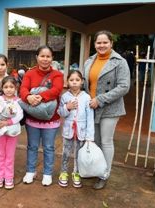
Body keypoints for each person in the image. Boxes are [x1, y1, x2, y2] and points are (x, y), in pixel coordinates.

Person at [83, 30, 130, 190]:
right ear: (94, 44)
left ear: (111, 43)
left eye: (105, 42)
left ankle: (104, 174)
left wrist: (100, 99)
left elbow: (124, 86)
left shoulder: (119, 61)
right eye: (98, 42)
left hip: (110, 108)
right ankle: (96, 169)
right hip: (92, 107)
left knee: (106, 141)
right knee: (94, 140)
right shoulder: (89, 60)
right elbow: (85, 84)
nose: (101, 45)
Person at [20, 45, 64, 186]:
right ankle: (30, 171)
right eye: (42, 56)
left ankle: (47, 173)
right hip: (32, 118)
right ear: (37, 57)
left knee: (49, 147)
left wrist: (39, 96)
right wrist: (28, 97)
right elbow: (23, 89)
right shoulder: (29, 73)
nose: (45, 59)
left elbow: (57, 90)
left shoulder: (57, 75)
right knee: (32, 146)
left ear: (52, 58)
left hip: (51, 119)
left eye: (48, 56)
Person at [57, 70, 94, 188]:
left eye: (77, 80)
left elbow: (90, 117)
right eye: (71, 80)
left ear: (82, 82)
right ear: (67, 82)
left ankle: (76, 172)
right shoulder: (65, 96)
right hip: (68, 130)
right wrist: (67, 107)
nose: (74, 83)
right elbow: (60, 113)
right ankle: (63, 172)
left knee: (79, 153)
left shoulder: (87, 97)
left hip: (81, 131)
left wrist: (89, 136)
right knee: (66, 152)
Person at [0, 76, 23, 189]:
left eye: (11, 87)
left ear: (15, 88)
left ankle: (9, 177)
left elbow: (19, 115)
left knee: (10, 155)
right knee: (0, 155)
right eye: (6, 87)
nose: (9, 89)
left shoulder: (18, 101)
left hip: (12, 132)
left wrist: (8, 122)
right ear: (2, 88)